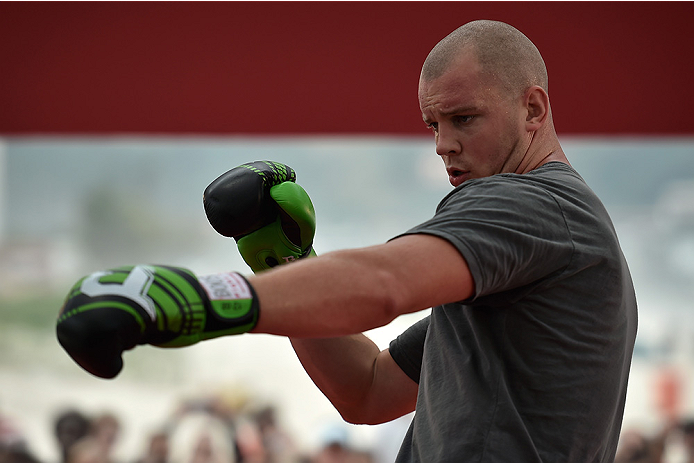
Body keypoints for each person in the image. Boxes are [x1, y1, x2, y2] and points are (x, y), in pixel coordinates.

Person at [56, 20, 637, 462]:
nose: (443, 145)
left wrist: (195, 299)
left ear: (532, 109)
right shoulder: (532, 261)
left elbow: (382, 283)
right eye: (434, 125)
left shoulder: (533, 204)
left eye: (464, 119)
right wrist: (279, 259)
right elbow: (369, 390)